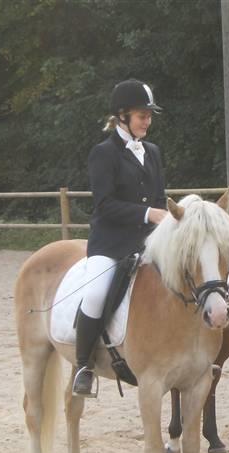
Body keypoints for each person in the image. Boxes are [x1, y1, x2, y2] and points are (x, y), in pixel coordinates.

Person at [73, 79, 168, 397]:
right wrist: (147, 214)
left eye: (150, 116)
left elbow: (159, 198)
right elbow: (105, 204)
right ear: (122, 116)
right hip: (111, 243)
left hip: (148, 242)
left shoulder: (152, 152)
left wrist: (164, 219)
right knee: (97, 293)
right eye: (143, 115)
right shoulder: (103, 153)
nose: (148, 121)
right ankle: (83, 365)